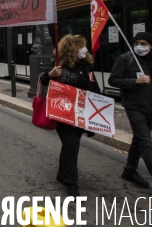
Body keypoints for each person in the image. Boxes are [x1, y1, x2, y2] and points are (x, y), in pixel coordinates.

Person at [108, 32, 152, 201]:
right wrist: (135, 82)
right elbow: (113, 80)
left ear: (151, 46)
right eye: (137, 43)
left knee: (139, 141)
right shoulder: (125, 59)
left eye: (144, 43)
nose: (140, 46)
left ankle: (129, 171)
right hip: (134, 106)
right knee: (146, 143)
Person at [40, 35, 100, 197]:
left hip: (82, 112)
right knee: (72, 144)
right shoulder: (59, 64)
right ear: (72, 48)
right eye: (80, 46)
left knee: (70, 145)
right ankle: (71, 183)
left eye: (84, 46)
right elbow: (43, 79)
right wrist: (50, 74)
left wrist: (100, 105)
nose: (84, 49)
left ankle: (62, 174)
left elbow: (93, 86)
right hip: (63, 112)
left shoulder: (86, 65)